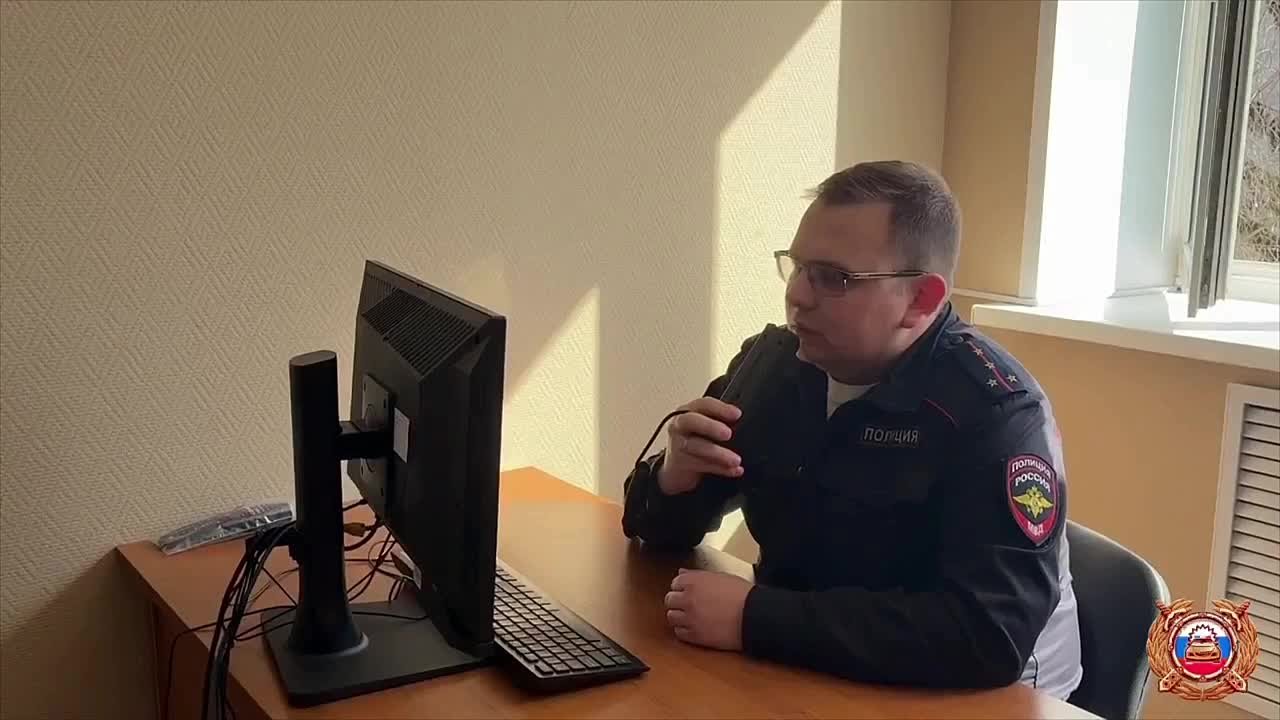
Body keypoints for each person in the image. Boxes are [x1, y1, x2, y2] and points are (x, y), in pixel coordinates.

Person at [620, 160, 1083, 699]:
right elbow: (656, 534)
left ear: (921, 300)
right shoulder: (777, 367)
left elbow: (988, 635)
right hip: (819, 661)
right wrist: (673, 480)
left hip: (990, 696)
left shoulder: (996, 411)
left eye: (832, 278)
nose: (798, 295)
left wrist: (757, 618)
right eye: (797, 267)